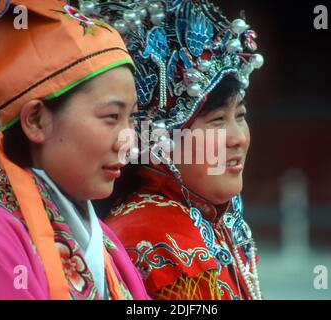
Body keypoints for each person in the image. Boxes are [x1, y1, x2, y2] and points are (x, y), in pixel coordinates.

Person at [0, 0, 150, 300]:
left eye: (131, 117)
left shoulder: (106, 243)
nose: (129, 142)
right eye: (111, 117)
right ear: (36, 120)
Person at [96, 0, 264, 300]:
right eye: (216, 121)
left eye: (240, 116)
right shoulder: (157, 235)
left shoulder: (215, 218)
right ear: (163, 138)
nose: (238, 138)